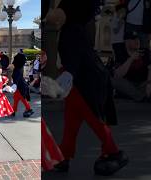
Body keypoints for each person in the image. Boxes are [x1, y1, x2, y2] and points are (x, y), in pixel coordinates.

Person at [46, 0, 128, 175]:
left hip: (84, 79)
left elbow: (76, 55)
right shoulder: (77, 28)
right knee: (72, 118)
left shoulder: (72, 30)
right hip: (82, 77)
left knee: (91, 116)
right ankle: (63, 156)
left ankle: (113, 151)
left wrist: (68, 75)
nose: (51, 16)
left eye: (57, 10)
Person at [112, 31, 151, 101]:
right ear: (126, 41)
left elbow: (150, 69)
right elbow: (118, 75)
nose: (137, 41)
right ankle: (141, 96)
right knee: (113, 80)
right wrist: (131, 59)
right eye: (133, 39)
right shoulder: (121, 53)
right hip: (129, 84)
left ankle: (136, 95)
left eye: (137, 39)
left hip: (143, 84)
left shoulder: (145, 52)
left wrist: (149, 83)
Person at [11, 50, 34, 118]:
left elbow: (17, 79)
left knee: (21, 99)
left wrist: (14, 85)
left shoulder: (17, 69)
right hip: (21, 85)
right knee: (16, 99)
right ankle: (13, 111)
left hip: (19, 86)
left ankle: (29, 109)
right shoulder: (20, 67)